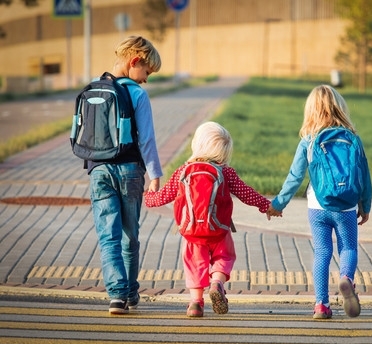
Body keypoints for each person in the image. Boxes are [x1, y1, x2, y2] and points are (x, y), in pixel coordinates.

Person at [144, 121, 271, 317]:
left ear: (198, 144)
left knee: (195, 264)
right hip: (219, 230)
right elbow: (246, 193)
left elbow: (163, 198)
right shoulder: (226, 172)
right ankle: (217, 283)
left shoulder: (183, 171)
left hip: (192, 232)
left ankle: (195, 303)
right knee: (224, 257)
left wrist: (147, 197)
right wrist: (266, 205)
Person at [267, 85, 372, 319]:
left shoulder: (309, 141)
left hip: (317, 206)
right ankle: (346, 278)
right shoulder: (353, 139)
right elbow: (364, 174)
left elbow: (295, 177)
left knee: (322, 252)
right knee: (348, 248)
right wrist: (366, 205)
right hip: (346, 206)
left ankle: (321, 306)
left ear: (311, 111)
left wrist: (278, 204)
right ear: (340, 108)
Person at [88, 36, 163, 314]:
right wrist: (155, 174)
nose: (146, 80)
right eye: (146, 73)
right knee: (130, 235)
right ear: (135, 62)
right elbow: (147, 140)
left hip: (98, 170)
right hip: (130, 171)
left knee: (108, 235)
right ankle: (130, 292)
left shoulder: (95, 87)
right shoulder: (138, 94)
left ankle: (116, 296)